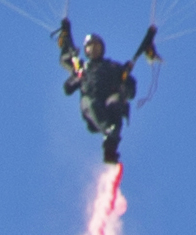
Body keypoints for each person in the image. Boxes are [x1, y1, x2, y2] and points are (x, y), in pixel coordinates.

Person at [55, 19, 159, 164]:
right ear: (86, 50)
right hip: (91, 105)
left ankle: (110, 150)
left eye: (97, 45)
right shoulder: (82, 68)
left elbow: (131, 89)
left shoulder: (114, 67)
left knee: (116, 104)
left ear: (102, 48)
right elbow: (67, 88)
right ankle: (108, 132)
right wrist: (78, 78)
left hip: (110, 104)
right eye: (90, 46)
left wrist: (125, 88)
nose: (94, 49)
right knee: (92, 103)